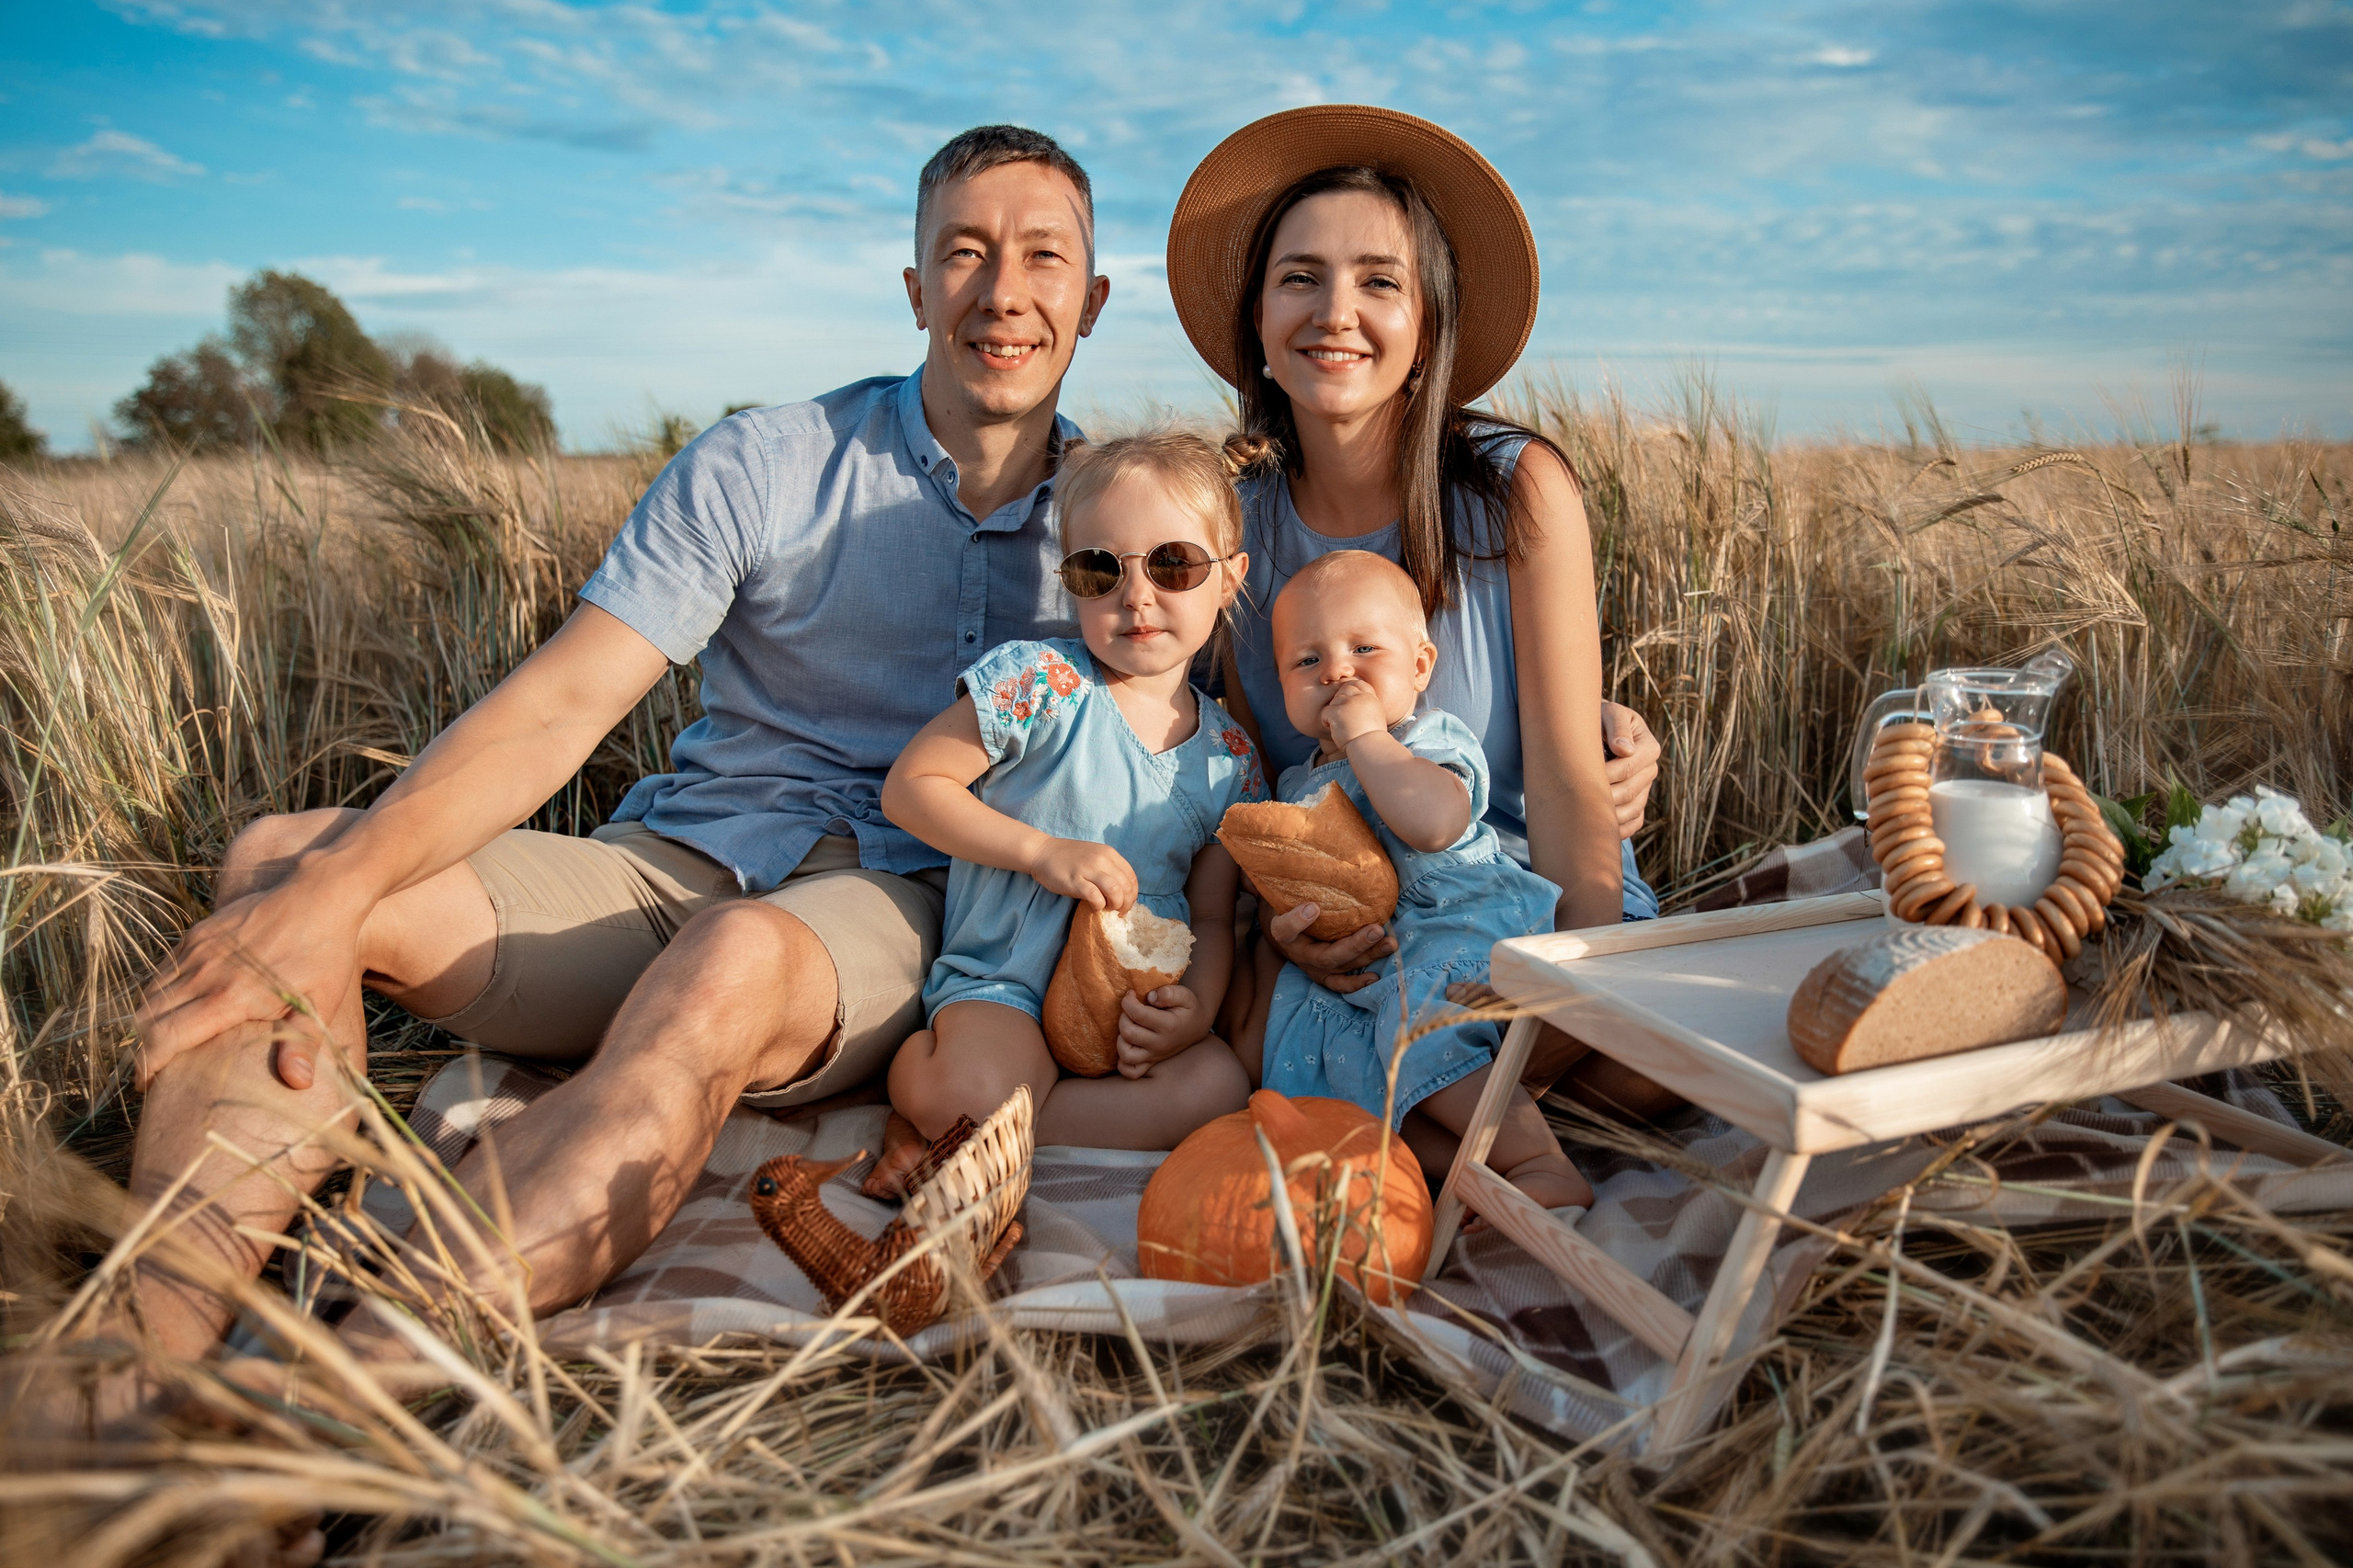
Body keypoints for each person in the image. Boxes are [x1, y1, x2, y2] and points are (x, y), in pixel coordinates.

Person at [1164, 105, 1661, 1109]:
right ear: (1258, 323)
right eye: (1298, 277)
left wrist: (1580, 979)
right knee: (1247, 1047)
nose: (1334, 312)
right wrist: (1288, 919)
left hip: (1517, 896)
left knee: (1640, 1063)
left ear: (1428, 324)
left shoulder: (1515, 490)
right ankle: (1458, 1109)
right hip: (1355, 922)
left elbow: (1568, 791)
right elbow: (1260, 783)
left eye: (1378, 281)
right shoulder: (1230, 519)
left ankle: (1462, 1099)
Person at [875, 431, 1262, 1181]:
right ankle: (959, 1101)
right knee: (980, 1083)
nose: (1137, 595)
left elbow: (1213, 918)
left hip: (1125, 1009)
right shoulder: (1043, 686)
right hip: (1007, 982)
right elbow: (912, 787)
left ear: (1229, 579)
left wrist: (1197, 1009)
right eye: (1099, 570)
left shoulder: (1230, 761)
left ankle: (996, 1130)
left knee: (1219, 1086)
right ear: (1070, 579)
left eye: (1175, 564)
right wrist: (1043, 852)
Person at [1233, 550, 1591, 1210]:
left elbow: (1433, 824)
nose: (1337, 671)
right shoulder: (1297, 783)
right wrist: (1286, 925)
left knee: (1421, 1030)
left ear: (1420, 666)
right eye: (1306, 662)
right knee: (1324, 1060)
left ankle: (1538, 1158)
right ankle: (1467, 1177)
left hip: (1458, 926)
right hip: (1375, 962)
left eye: (1364, 649)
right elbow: (1290, 887)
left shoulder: (1425, 739)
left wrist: (1368, 738)